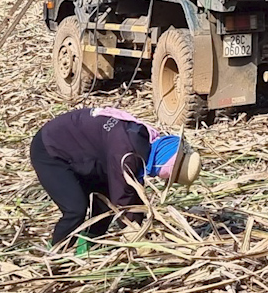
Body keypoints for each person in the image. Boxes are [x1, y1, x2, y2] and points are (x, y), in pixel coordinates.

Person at [28, 106, 200, 250]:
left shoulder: (143, 139)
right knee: (75, 209)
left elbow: (130, 190)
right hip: (50, 149)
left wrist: (138, 225)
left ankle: (87, 249)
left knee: (103, 205)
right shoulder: (127, 153)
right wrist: (135, 234)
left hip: (86, 153)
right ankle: (55, 255)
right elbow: (123, 197)